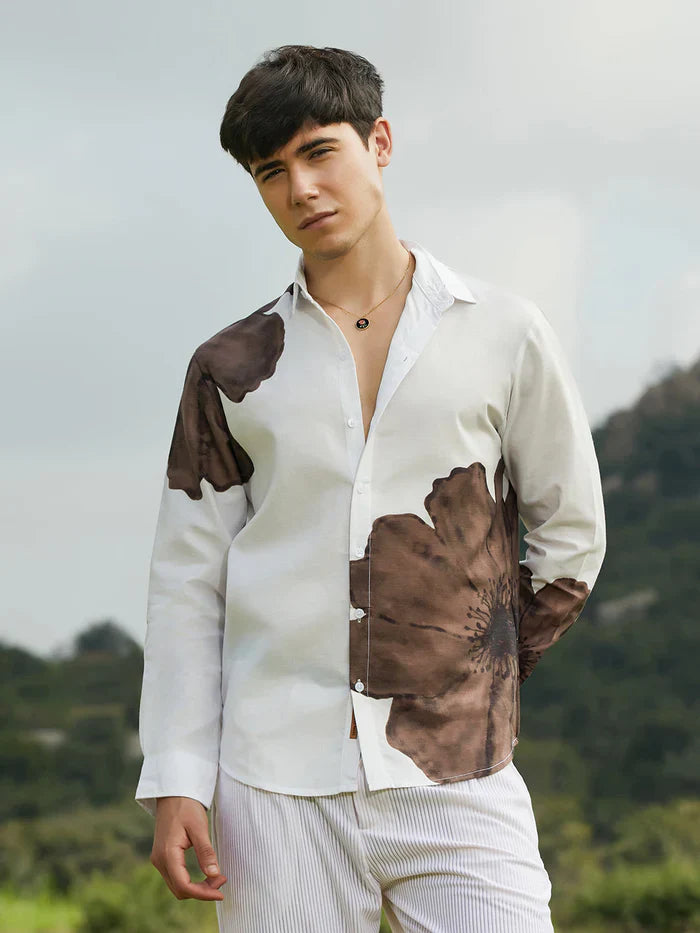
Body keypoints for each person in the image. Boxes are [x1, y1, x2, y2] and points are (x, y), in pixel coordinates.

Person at [135, 44, 606, 933]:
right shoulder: (230, 367)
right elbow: (188, 585)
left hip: (459, 772)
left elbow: (571, 537)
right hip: (274, 783)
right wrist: (177, 775)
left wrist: (474, 674)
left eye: (320, 152)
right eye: (272, 172)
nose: (302, 189)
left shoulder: (503, 333)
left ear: (378, 142)